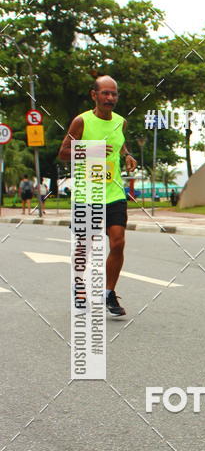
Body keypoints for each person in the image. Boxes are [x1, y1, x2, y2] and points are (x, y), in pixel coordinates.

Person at [58, 75, 137, 315]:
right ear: (94, 95)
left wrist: (127, 155)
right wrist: (93, 150)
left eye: (113, 94)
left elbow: (119, 143)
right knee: (86, 247)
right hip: (86, 193)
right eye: (105, 93)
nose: (110, 98)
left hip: (113, 191)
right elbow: (63, 153)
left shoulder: (121, 122)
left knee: (118, 241)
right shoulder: (81, 122)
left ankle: (108, 293)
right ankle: (79, 290)